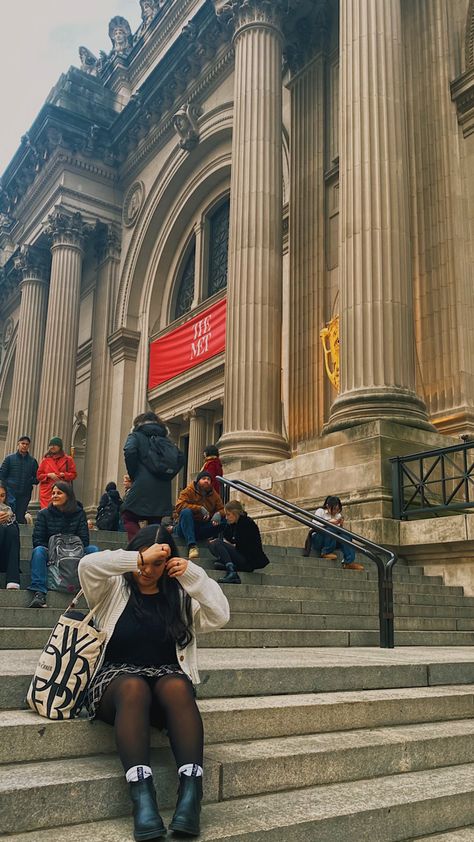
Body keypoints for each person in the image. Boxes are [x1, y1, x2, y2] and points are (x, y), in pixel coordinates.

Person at [79, 525, 230, 840]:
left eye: (156, 564)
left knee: (176, 685)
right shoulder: (111, 588)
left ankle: (191, 794)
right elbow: (87, 565)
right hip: (115, 683)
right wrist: (136, 558)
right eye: (144, 563)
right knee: (134, 686)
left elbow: (220, 616)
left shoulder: (179, 595)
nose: (148, 570)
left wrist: (193, 575)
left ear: (168, 564)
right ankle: (142, 797)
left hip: (165, 684)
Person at [27, 481, 99, 608]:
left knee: (94, 550)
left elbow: (84, 540)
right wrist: (56, 549)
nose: (54, 496)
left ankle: (95, 591)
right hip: (52, 551)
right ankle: (39, 593)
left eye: (59, 493)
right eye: (53, 493)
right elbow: (38, 540)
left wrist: (68, 548)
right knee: (38, 551)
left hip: (74, 551)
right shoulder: (44, 514)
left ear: (68, 496)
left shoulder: (79, 513)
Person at [122, 412, 184, 542]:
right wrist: (168, 474)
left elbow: (130, 451)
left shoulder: (136, 435)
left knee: (128, 515)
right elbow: (180, 457)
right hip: (163, 488)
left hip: (142, 484)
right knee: (155, 522)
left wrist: (133, 474)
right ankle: (152, 550)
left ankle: (138, 546)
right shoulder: (166, 440)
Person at [209, 500, 270, 584]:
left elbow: (239, 542)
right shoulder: (236, 523)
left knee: (217, 543)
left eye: (228, 515)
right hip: (242, 556)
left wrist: (232, 543)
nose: (226, 517)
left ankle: (232, 573)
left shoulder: (247, 523)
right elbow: (230, 538)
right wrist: (222, 526)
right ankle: (230, 566)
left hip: (248, 561)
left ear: (235, 513)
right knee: (212, 545)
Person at [174, 471, 225, 559]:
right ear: (198, 481)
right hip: (186, 527)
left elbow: (222, 509)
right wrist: (199, 508)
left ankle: (217, 545)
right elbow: (179, 506)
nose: (206, 481)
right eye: (203, 479)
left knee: (224, 521)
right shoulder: (189, 490)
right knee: (186, 512)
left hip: (202, 527)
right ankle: (192, 546)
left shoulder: (214, 495)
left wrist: (218, 514)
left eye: (208, 479)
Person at [305, 495, 363, 571]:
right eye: (334, 509)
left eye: (338, 509)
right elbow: (315, 525)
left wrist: (340, 525)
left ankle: (348, 562)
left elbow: (339, 532)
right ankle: (326, 552)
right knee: (331, 528)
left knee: (346, 536)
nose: (336, 511)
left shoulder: (337, 515)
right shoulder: (320, 511)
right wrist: (329, 523)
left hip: (331, 540)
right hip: (318, 539)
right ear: (328, 506)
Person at [0, 435, 39, 523]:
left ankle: (18, 535)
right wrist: (7, 486)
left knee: (20, 516)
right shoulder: (9, 458)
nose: (24, 445)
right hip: (10, 492)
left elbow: (37, 478)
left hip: (25, 493)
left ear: (29, 446)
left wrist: (30, 481)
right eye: (22, 443)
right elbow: (2, 474)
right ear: (18, 444)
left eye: (27, 444)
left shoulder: (33, 461)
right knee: (10, 514)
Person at [37, 437, 77, 510]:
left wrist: (64, 475)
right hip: (47, 491)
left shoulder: (68, 459)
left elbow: (73, 474)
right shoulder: (45, 460)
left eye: (55, 445)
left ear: (60, 447)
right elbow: (39, 475)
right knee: (47, 511)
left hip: (62, 489)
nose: (52, 447)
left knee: (61, 510)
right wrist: (48, 475)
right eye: (51, 445)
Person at [0, 481, 21, 589]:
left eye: (2, 496)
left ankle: (13, 579)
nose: (0, 499)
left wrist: (9, 519)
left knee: (12, 529)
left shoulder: (8, 510)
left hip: (4, 556)